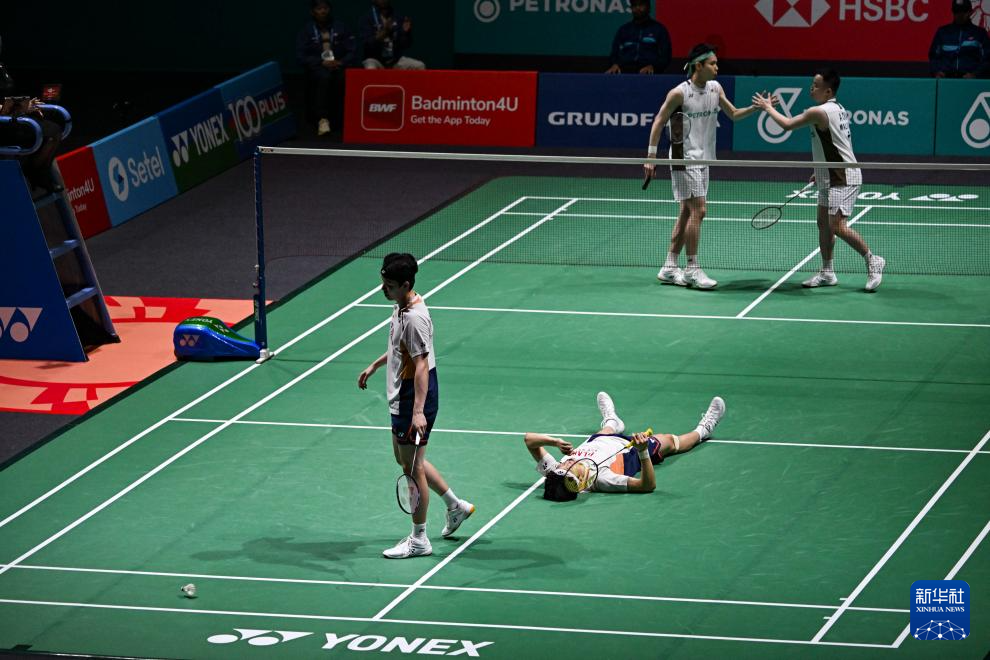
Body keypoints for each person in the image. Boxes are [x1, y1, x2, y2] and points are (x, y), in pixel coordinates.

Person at [358, 253, 474, 558]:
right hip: (402, 393)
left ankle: (419, 539)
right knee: (406, 460)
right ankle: (455, 505)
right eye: (383, 283)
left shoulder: (414, 318)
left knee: (412, 468)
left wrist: (418, 411)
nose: (383, 289)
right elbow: (402, 349)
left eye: (390, 285)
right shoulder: (402, 306)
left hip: (412, 396)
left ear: (406, 284)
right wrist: (376, 365)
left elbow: (421, 364)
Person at [643, 44, 763, 290]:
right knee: (700, 210)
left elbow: (734, 114)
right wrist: (651, 157)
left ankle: (669, 266)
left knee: (687, 212)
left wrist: (756, 108)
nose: (717, 67)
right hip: (684, 158)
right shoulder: (679, 93)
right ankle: (692, 268)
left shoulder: (715, 88)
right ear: (698, 65)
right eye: (713, 63)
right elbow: (659, 121)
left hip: (704, 157)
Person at [753, 70, 885, 292]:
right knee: (823, 224)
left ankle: (872, 259)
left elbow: (787, 124)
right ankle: (827, 272)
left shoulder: (819, 112)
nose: (811, 88)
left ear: (828, 91)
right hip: (829, 175)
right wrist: (821, 169)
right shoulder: (837, 108)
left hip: (843, 177)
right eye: (812, 83)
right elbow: (835, 143)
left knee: (837, 226)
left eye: (816, 85)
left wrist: (767, 108)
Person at [525, 392, 725, 500]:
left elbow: (529, 440)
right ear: (578, 480)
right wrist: (643, 451)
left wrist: (554, 442)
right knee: (671, 442)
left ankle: (612, 421)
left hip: (600, 439)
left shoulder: (555, 474)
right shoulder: (602, 480)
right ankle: (703, 430)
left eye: (561, 466)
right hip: (632, 449)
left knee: (605, 431)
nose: (564, 464)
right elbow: (647, 486)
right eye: (567, 468)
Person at [296, 0, 358, 136]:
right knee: (324, 78)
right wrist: (320, 62)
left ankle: (345, 119)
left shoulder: (341, 27)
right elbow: (301, 56)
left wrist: (341, 62)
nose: (323, 11)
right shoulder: (306, 30)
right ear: (313, 12)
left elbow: (352, 51)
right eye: (319, 9)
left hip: (339, 65)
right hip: (318, 67)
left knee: (343, 78)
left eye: (325, 8)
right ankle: (322, 119)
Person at [605, 0, 672, 75]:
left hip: (649, 73)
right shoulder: (624, 30)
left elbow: (665, 57)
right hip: (624, 72)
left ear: (648, 7)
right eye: (634, 5)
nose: (637, 8)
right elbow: (614, 54)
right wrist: (615, 64)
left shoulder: (659, 29)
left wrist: (654, 67)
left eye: (641, 5)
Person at [929, 0, 990, 78]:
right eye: (956, 11)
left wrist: (975, 74)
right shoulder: (942, 32)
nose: (960, 15)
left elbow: (987, 59)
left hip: (970, 80)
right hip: (946, 79)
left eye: (963, 11)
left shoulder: (980, 33)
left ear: (970, 12)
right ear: (953, 12)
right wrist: (937, 72)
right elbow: (933, 56)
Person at [359, 0, 424, 70]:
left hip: (394, 60)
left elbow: (405, 44)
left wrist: (406, 33)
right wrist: (384, 32)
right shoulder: (366, 18)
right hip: (375, 59)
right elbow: (368, 44)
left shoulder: (397, 17)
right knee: (370, 67)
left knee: (419, 66)